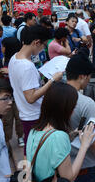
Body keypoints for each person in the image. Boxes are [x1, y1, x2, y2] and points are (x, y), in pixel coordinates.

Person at [26, 82, 95, 182]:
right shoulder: (59, 137)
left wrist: (71, 135)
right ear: (63, 109)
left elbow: (47, 151)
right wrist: (84, 145)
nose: (73, 111)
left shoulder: (34, 131)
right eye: (72, 107)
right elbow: (68, 179)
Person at [8, 25, 63, 155]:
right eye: (43, 45)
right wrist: (53, 80)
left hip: (26, 114)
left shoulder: (14, 58)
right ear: (36, 42)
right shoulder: (27, 66)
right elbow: (31, 97)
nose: (43, 49)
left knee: (32, 148)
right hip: (34, 115)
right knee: (36, 151)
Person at [66, 54, 95, 182]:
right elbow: (92, 138)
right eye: (89, 76)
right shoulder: (86, 103)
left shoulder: (52, 95)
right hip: (84, 164)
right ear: (82, 76)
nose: (89, 80)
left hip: (60, 162)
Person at [0, 37, 24, 148]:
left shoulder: (17, 60)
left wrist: (9, 72)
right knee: (7, 119)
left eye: (3, 46)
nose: (1, 48)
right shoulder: (4, 59)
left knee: (19, 118)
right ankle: (6, 139)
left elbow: (21, 75)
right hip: (7, 95)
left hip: (17, 94)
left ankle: (20, 137)